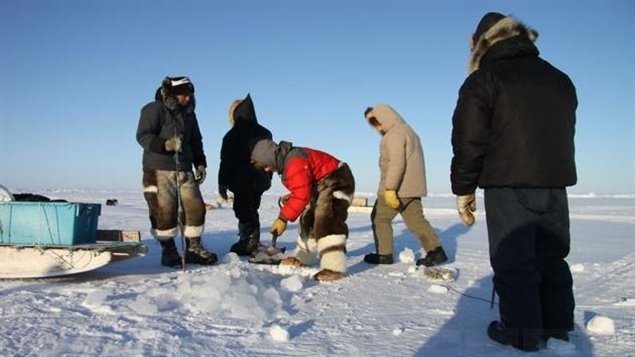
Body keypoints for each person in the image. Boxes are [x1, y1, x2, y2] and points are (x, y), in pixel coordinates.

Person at [450, 12, 577, 352]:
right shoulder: (559, 78)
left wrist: (463, 187)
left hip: (508, 185)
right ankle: (558, 328)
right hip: (555, 185)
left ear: (481, 43)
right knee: (551, 257)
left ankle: (521, 334)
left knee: (514, 261)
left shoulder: (485, 79)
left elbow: (469, 140)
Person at [136, 76, 217, 268]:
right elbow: (142, 135)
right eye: (183, 94)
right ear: (172, 93)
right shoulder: (153, 109)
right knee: (163, 211)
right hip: (158, 168)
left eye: (189, 95)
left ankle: (194, 248)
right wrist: (165, 145)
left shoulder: (190, 115)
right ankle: (169, 252)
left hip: (184, 167)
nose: (187, 98)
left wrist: (200, 163)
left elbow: (196, 141)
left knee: (195, 207)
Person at [250, 139, 355, 282]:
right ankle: (304, 257)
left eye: (266, 166)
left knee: (326, 219)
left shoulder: (294, 161)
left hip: (338, 180)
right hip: (321, 185)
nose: (267, 170)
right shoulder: (287, 162)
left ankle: (334, 267)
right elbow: (302, 187)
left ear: (270, 158)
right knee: (307, 218)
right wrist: (294, 197)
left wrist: (283, 218)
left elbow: (302, 194)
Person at [362, 104, 447, 267]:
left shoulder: (393, 135)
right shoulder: (408, 131)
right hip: (413, 188)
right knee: (416, 220)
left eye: (374, 122)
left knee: (379, 218)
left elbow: (397, 163)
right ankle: (436, 251)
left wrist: (390, 188)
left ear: (382, 118)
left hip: (398, 188)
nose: (375, 128)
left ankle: (383, 254)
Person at [218, 94, 273, 256]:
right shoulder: (265, 132)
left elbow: (226, 161)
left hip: (241, 180)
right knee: (253, 208)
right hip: (261, 179)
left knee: (243, 209)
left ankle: (248, 240)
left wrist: (222, 183)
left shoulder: (232, 135)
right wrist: (268, 178)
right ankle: (252, 238)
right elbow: (271, 156)